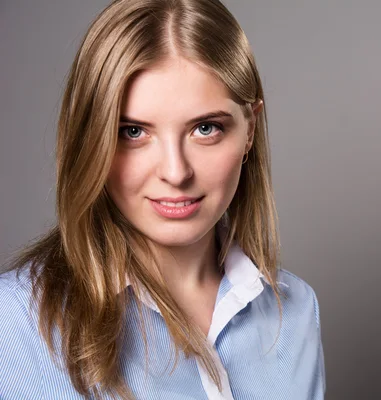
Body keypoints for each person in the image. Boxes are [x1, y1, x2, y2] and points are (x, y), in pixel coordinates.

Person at [0, 0, 325, 399]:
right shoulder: (14, 324)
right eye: (133, 132)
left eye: (206, 128)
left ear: (250, 130)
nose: (175, 172)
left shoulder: (293, 312)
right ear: (92, 138)